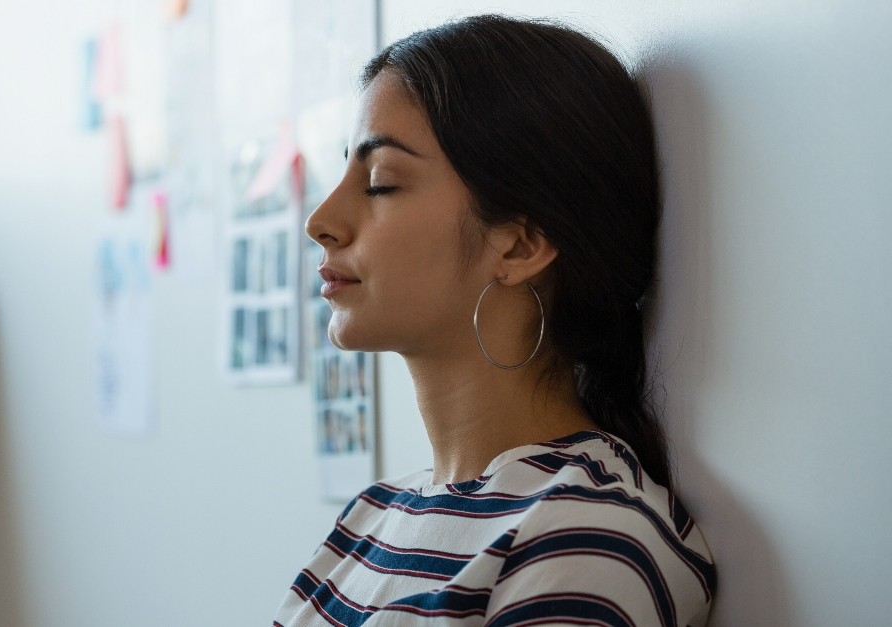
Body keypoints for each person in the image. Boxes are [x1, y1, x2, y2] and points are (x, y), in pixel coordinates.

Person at [274, 14, 716, 627]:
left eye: (380, 182)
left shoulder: (587, 539)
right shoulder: (369, 520)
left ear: (518, 246)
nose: (320, 219)